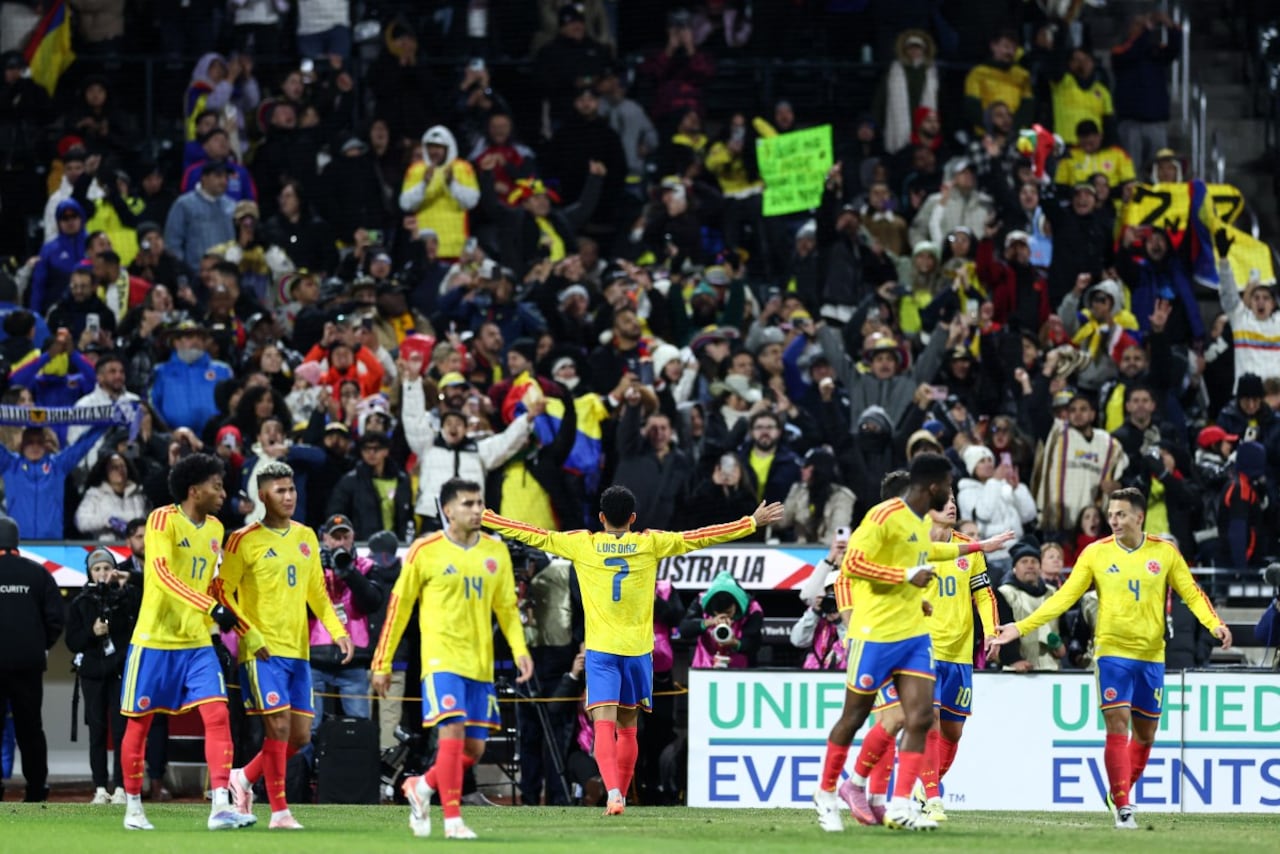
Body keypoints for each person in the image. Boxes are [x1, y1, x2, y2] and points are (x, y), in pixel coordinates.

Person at [482, 485, 783, 815]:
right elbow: (700, 536)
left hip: (601, 652)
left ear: (601, 518)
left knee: (603, 726)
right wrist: (750, 522)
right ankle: (621, 795)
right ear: (633, 518)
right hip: (638, 652)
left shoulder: (583, 543)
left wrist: (487, 518)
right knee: (628, 727)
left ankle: (613, 792)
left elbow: (533, 534)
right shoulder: (650, 542)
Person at [992, 488, 1232, 830]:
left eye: (1120, 514)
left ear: (1139, 517)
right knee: (1117, 724)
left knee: (1146, 735)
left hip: (1151, 655)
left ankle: (1118, 791)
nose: (1113, 521)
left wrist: (1215, 624)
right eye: (1111, 514)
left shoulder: (1164, 553)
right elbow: (1062, 599)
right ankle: (1123, 807)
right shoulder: (1096, 553)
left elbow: (1191, 592)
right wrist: (1020, 627)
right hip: (1111, 654)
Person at [811, 453, 1012, 832]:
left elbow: (933, 552)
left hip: (915, 635)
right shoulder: (881, 518)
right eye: (948, 486)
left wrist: (979, 547)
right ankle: (830, 791)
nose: (952, 495)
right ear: (932, 486)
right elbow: (852, 566)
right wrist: (906, 577)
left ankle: (901, 802)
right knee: (857, 717)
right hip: (875, 635)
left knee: (919, 716)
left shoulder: (919, 525)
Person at [371, 479, 534, 840]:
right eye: (468, 503)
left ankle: (422, 786)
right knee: (453, 735)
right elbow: (398, 609)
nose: (477, 510)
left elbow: (507, 608)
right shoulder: (424, 550)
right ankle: (453, 820)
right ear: (448, 510)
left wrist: (520, 650)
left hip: (480, 665)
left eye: (480, 502)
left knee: (473, 749)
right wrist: (381, 662)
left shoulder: (496, 552)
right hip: (440, 662)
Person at [117, 453, 260, 832]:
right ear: (194, 490)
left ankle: (220, 807)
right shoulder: (161, 519)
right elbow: (162, 575)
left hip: (196, 642)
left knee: (217, 715)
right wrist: (211, 607)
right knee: (140, 725)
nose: (223, 493)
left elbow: (213, 585)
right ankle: (133, 807)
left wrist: (240, 624)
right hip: (154, 640)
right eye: (217, 486)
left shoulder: (216, 528)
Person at [219, 462, 352, 830]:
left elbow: (317, 594)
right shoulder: (242, 540)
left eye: (291, 489)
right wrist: (249, 632)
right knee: (276, 728)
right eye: (280, 490)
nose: (289, 496)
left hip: (299, 652)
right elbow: (222, 593)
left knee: (300, 737)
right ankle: (279, 811)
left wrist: (337, 629)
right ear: (263, 495)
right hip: (261, 652)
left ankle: (243, 777)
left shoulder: (307, 536)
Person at [911, 491, 997, 822]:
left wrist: (991, 630)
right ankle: (933, 798)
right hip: (923, 649)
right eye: (943, 501)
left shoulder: (970, 549)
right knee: (929, 721)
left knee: (953, 732)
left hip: (960, 653)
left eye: (953, 500)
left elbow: (984, 595)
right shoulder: (914, 545)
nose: (951, 506)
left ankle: (923, 789)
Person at [66, 548, 140, 804]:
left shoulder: (126, 599)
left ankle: (121, 787)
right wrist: (91, 632)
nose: (102, 574)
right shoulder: (80, 602)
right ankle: (99, 787)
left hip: (119, 672)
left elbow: (139, 618)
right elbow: (72, 642)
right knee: (97, 731)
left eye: (106, 568)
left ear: (114, 570)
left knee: (121, 732)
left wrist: (125, 586)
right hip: (92, 676)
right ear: (89, 572)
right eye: (97, 569)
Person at [0, 515, 64, 802]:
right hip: (28, 664)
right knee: (30, 728)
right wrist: (39, 645)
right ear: (16, 542)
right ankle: (37, 789)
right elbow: (55, 620)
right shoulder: (38, 573)